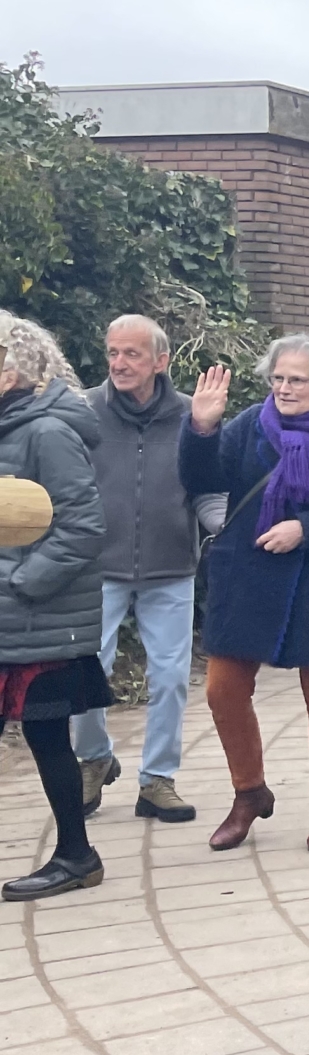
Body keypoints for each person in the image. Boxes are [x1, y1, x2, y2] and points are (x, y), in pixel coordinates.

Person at [182, 335, 309, 856]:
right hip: (246, 577)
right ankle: (249, 793)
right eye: (278, 378)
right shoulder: (250, 425)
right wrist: (202, 428)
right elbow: (202, 479)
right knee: (222, 690)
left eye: (297, 379)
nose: (284, 388)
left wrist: (307, 529)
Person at [72, 314, 224, 824]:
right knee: (85, 668)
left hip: (171, 567)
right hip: (97, 567)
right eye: (113, 352)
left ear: (160, 361)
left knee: (171, 677)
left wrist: (223, 527)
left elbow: (209, 486)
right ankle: (94, 759)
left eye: (131, 354)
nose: (118, 363)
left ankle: (157, 780)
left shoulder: (191, 415)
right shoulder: (83, 412)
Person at [0, 315, 114, 901]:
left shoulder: (47, 432)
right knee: (45, 738)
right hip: (11, 619)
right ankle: (77, 855)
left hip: (37, 620)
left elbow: (82, 526)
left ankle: (76, 855)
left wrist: (23, 584)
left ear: (10, 371)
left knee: (47, 738)